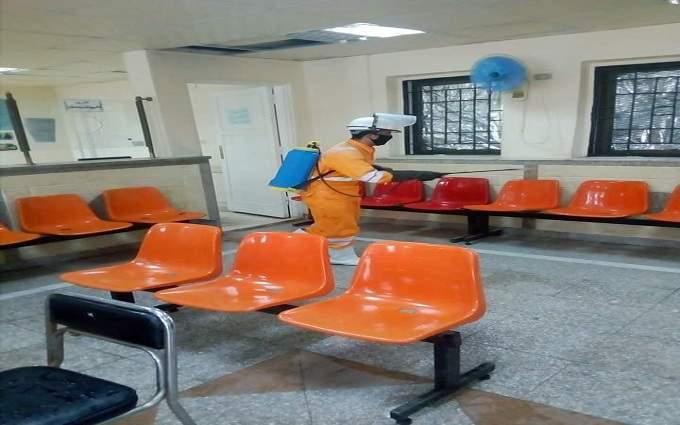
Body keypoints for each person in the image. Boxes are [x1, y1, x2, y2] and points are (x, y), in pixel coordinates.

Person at [298, 113, 442, 265]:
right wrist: (416, 175)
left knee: (327, 225)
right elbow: (372, 176)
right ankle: (340, 256)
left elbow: (362, 167)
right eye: (386, 133)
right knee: (340, 227)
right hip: (328, 195)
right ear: (372, 134)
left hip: (339, 193)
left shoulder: (356, 148)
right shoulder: (345, 153)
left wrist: (390, 170)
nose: (389, 136)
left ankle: (296, 242)